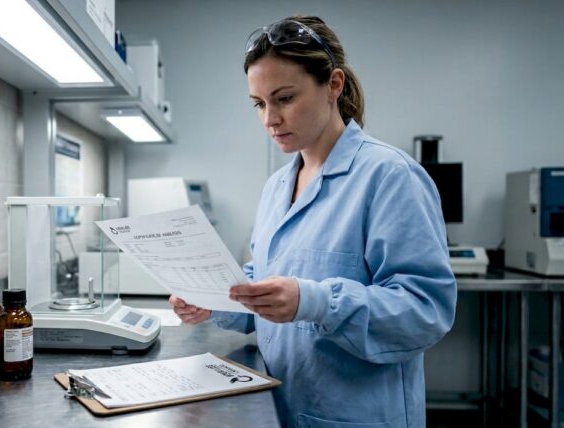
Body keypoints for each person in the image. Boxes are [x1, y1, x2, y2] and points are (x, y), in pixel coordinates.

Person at [169, 16, 457, 428]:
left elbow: (426, 311)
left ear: (333, 85)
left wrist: (317, 300)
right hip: (281, 406)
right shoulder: (277, 187)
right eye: (259, 103)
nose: (270, 118)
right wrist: (214, 298)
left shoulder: (390, 177)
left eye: (284, 98)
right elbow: (267, 284)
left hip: (357, 415)